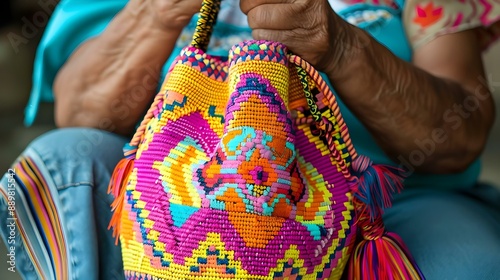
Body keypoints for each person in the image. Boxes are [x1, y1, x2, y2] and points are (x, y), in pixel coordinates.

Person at [1, 0, 500, 279]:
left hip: (380, 208)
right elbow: (82, 114)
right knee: (66, 165)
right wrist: (158, 11)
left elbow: (459, 137)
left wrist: (342, 46)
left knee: (471, 260)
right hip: (167, 203)